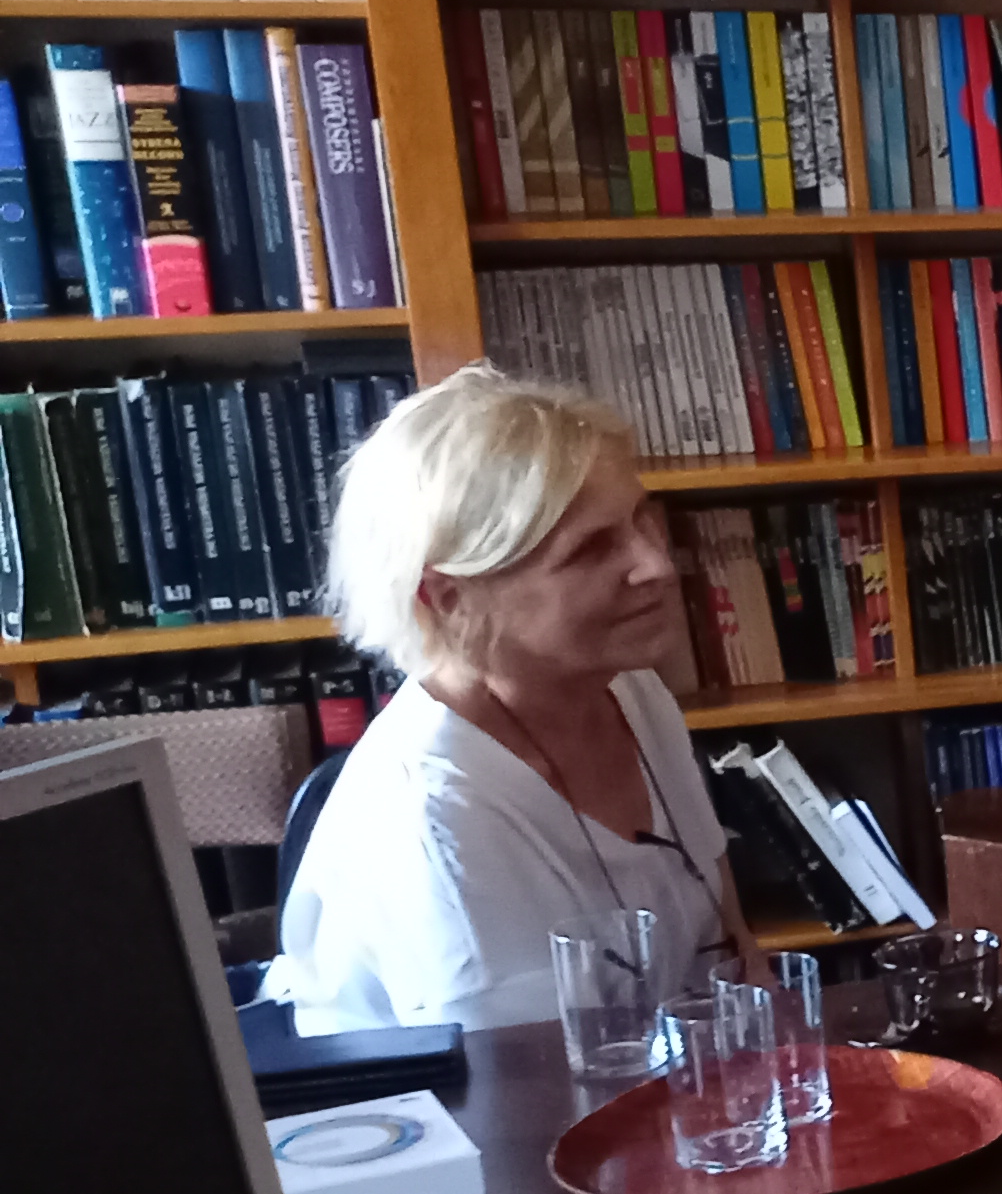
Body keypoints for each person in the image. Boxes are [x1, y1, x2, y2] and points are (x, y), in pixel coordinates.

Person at [277, 366, 754, 1033]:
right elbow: (529, 1114)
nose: (656, 565)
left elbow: (736, 962)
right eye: (592, 549)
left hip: (666, 1101)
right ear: (450, 600)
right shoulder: (433, 819)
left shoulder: (632, 690)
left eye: (643, 522)